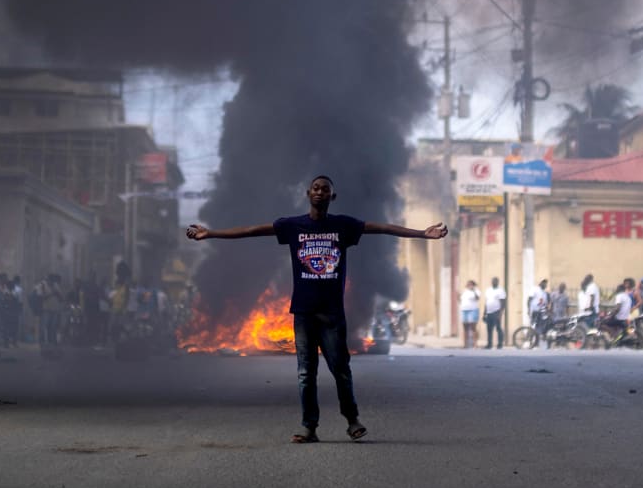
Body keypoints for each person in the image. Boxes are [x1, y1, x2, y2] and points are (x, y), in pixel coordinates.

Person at [185, 174, 447, 444]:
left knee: (340, 370)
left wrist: (422, 234)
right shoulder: (293, 226)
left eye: (326, 189)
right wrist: (211, 233)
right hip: (303, 312)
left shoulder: (344, 226)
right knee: (305, 373)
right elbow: (253, 230)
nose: (320, 192)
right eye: (316, 188)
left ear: (332, 197)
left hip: (332, 313)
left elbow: (381, 227)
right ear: (308, 193)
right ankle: (309, 426)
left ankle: (352, 419)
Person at [483, 276, 506, 350]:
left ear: (498, 282)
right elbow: (486, 302)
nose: (494, 282)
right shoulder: (488, 290)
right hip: (489, 312)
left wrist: (500, 313)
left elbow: (503, 302)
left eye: (495, 281)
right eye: (493, 281)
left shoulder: (500, 290)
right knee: (489, 329)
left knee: (498, 328)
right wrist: (484, 313)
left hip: (496, 311)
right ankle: (489, 344)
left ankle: (500, 344)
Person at [459, 280, 481, 350]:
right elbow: (461, 300)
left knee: (473, 327)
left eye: (471, 284)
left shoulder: (476, 291)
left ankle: (475, 344)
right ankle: (465, 344)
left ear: (474, 285)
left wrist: (473, 290)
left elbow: (477, 298)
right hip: (464, 310)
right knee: (465, 328)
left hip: (473, 310)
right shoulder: (464, 291)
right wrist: (458, 297)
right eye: (468, 284)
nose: (469, 286)